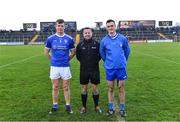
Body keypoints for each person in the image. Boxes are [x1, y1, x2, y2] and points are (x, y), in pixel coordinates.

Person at [100, 19, 130, 117]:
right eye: (108, 26)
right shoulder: (104, 40)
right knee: (110, 88)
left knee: (121, 88)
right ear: (106, 28)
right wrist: (108, 62)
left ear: (115, 26)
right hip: (110, 68)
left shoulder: (122, 38)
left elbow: (127, 51)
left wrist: (123, 61)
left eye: (112, 26)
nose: (110, 28)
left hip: (121, 68)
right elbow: (102, 53)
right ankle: (111, 108)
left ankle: (122, 109)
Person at [44, 19, 75, 114]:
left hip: (65, 66)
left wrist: (66, 60)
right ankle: (55, 105)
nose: (60, 27)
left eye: (62, 26)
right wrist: (53, 60)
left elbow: (73, 52)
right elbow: (46, 52)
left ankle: (68, 105)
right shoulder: (50, 39)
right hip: (54, 67)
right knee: (55, 86)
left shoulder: (69, 39)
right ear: (56, 26)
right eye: (58, 25)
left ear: (64, 27)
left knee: (66, 87)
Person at [76, 27, 102, 114]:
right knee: (84, 89)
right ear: (83, 34)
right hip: (84, 70)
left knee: (95, 89)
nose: (87, 34)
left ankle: (96, 106)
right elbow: (78, 57)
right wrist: (85, 63)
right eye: (85, 33)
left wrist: (93, 62)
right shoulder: (80, 45)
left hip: (94, 69)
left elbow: (100, 56)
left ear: (92, 33)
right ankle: (84, 107)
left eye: (89, 32)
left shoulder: (97, 44)